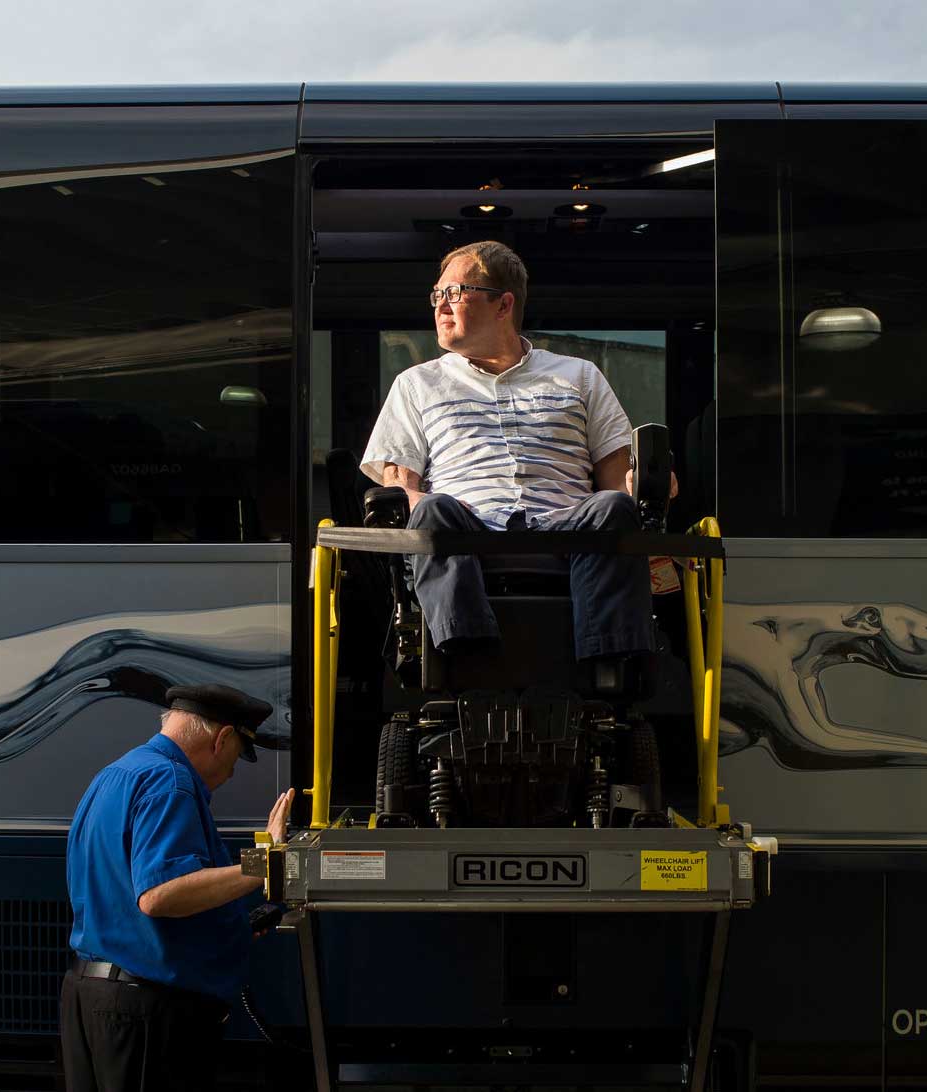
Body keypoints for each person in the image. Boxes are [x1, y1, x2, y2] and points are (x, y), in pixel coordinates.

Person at [359, 240, 668, 661]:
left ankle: (609, 662)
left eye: (455, 293)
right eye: (437, 295)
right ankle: (468, 656)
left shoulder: (579, 377)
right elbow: (401, 487)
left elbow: (617, 479)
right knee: (430, 509)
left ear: (503, 305)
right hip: (465, 531)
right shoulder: (416, 385)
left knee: (614, 506)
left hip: (565, 531)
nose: (441, 306)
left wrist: (647, 483)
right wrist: (427, 504)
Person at [60, 684, 295, 1092]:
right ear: (221, 739)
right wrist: (267, 862)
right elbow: (161, 894)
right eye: (238, 757)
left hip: (89, 997)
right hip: (146, 1013)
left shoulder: (116, 775)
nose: (230, 773)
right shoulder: (172, 783)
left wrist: (231, 924)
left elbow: (123, 895)